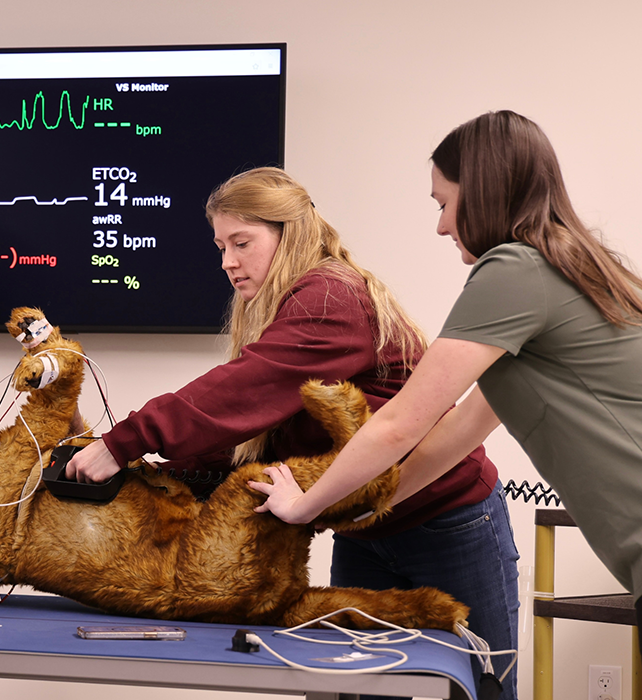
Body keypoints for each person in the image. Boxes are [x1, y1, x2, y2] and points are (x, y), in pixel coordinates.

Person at [66, 166, 519, 699]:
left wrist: (123, 443)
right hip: (363, 528)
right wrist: (151, 474)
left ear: (290, 233)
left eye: (242, 243)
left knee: (482, 687)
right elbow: (252, 431)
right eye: (220, 246)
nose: (228, 262)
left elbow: (242, 390)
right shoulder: (278, 306)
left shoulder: (329, 298)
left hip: (444, 519)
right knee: (347, 686)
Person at [252, 109, 642, 660]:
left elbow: (397, 424)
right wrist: (367, 511)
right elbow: (460, 428)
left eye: (443, 203)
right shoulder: (567, 265)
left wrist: (306, 506)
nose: (440, 224)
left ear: (482, 192)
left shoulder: (514, 269)